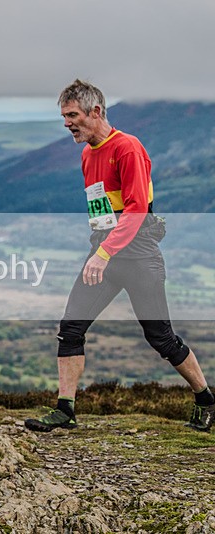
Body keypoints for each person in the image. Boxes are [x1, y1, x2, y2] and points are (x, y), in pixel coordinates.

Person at [25, 79, 215, 433]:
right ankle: (65, 410)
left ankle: (205, 398)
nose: (66, 123)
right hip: (104, 250)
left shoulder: (128, 148)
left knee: (161, 338)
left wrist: (104, 252)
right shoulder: (86, 154)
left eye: (72, 115)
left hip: (138, 254)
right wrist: (100, 248)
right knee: (71, 328)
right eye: (64, 116)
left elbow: (136, 211)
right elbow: (103, 212)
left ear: (95, 112)